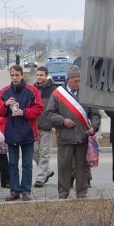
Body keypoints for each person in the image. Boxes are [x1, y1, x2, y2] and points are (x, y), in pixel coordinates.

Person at [44, 66, 101, 199]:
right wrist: (63, 121)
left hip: (83, 136)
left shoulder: (87, 94)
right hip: (65, 136)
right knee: (64, 166)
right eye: (75, 81)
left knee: (82, 167)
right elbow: (49, 113)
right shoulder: (58, 94)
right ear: (68, 80)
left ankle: (82, 193)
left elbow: (95, 114)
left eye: (80, 81)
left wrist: (94, 127)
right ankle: (63, 193)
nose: (78, 83)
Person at [0, 65, 43, 201]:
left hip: (27, 132)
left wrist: (25, 112)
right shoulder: (4, 92)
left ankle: (26, 191)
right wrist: (5, 104)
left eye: (17, 75)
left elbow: (39, 108)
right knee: (13, 164)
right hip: (11, 132)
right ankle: (14, 191)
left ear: (22, 75)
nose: (14, 78)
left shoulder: (32, 90)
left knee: (27, 164)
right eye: (12, 75)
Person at [33, 66, 57, 188]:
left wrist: (54, 124)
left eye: (41, 75)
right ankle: (47, 171)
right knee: (34, 151)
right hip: (34, 125)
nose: (39, 77)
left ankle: (41, 177)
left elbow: (57, 108)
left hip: (48, 125)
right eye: (37, 75)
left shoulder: (53, 90)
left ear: (47, 75)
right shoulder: (32, 89)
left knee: (44, 152)